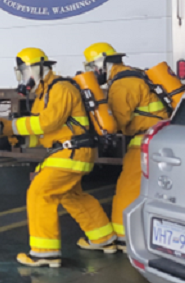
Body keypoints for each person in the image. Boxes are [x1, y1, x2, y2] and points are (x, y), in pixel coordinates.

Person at [10, 48, 115, 268]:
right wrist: (12, 136)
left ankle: (44, 254)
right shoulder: (44, 93)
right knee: (71, 195)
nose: (23, 76)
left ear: (39, 68)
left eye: (25, 70)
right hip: (68, 152)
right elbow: (43, 132)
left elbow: (48, 122)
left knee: (40, 193)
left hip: (72, 152)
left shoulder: (61, 88)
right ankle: (103, 238)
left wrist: (14, 126)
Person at [83, 42, 168, 251]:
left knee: (126, 188)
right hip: (161, 137)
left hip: (144, 141)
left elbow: (116, 123)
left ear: (102, 63)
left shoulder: (122, 84)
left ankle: (123, 237)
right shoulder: (134, 74)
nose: (94, 73)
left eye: (92, 67)